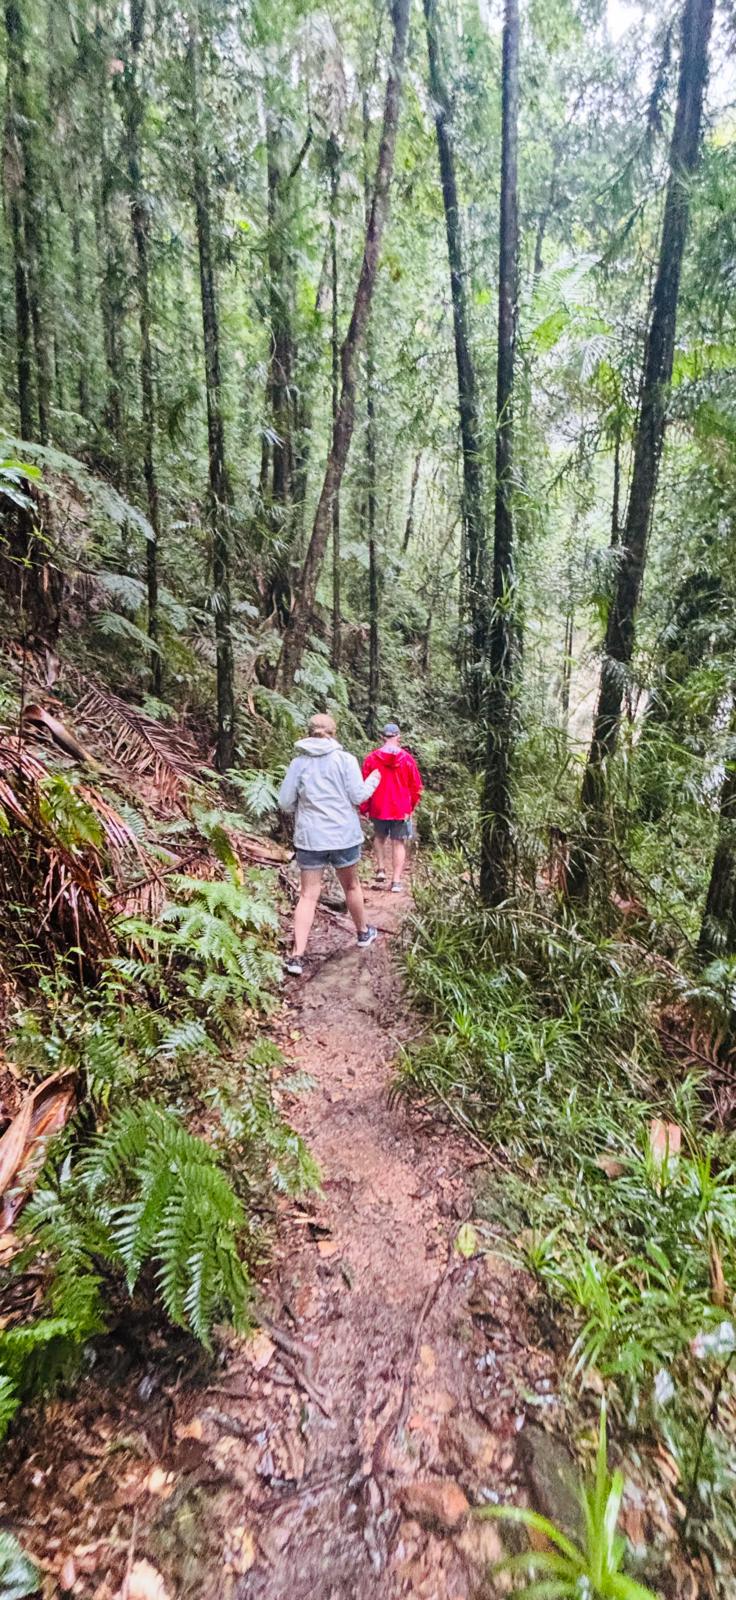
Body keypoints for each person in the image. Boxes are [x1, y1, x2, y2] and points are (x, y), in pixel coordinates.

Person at [278, 712, 381, 976]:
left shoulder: (298, 764)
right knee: (351, 886)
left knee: (307, 895)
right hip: (343, 835)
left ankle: (297, 956)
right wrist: (375, 779)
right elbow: (358, 796)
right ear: (334, 733)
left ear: (309, 732)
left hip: (311, 838)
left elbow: (285, 803)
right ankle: (363, 932)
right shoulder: (345, 760)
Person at [361, 721, 423, 892]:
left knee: (379, 837)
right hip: (400, 807)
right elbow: (416, 786)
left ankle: (381, 868)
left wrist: (364, 807)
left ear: (382, 737)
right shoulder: (407, 759)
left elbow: (365, 784)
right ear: (398, 737)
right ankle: (396, 881)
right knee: (398, 842)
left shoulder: (372, 759)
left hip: (379, 805)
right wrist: (411, 806)